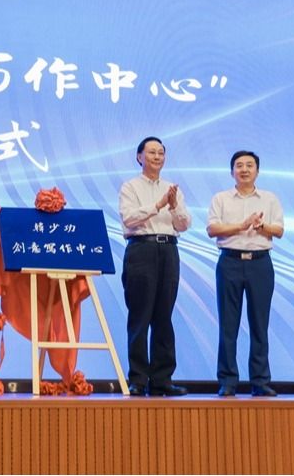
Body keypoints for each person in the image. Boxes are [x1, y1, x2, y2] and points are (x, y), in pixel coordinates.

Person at [207, 150, 284, 397]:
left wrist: (262, 226)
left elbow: (279, 231)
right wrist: (242, 226)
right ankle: (227, 381)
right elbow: (212, 229)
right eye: (239, 165)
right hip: (229, 262)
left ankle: (260, 381)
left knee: (260, 324)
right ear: (232, 172)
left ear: (257, 171)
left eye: (249, 165)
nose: (244, 169)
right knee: (228, 324)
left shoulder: (269, 199)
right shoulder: (221, 198)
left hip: (260, 264)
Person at [118, 136, 191, 396]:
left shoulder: (173, 189)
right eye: (151, 152)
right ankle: (138, 379)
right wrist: (158, 205)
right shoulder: (130, 187)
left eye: (161, 152)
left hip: (169, 250)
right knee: (140, 316)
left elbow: (183, 224)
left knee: (164, 316)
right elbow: (129, 218)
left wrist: (173, 206)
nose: (157, 157)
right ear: (139, 157)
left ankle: (162, 379)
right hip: (141, 249)